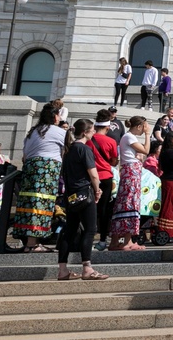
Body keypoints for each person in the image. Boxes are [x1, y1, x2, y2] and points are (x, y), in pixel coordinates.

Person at [56, 118, 109, 281]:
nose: (94, 132)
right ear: (85, 132)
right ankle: (87, 267)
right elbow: (93, 173)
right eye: (92, 130)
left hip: (70, 195)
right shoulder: (84, 149)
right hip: (84, 192)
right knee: (90, 229)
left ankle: (62, 269)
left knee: (69, 230)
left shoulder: (68, 149)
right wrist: (97, 189)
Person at [13, 102, 68, 252]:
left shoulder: (33, 132)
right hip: (46, 171)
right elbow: (71, 148)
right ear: (55, 116)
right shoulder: (57, 131)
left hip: (30, 170)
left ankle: (30, 242)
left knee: (30, 204)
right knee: (40, 205)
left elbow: (24, 156)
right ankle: (32, 244)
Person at [109, 116, 150, 250]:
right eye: (143, 127)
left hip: (131, 172)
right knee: (129, 203)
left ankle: (121, 240)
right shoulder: (129, 137)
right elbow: (146, 150)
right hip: (131, 173)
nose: (144, 130)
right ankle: (126, 241)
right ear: (139, 126)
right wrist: (148, 135)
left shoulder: (128, 137)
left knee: (127, 203)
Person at [88, 110, 119, 251]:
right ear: (107, 127)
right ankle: (102, 240)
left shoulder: (87, 140)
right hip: (106, 177)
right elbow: (113, 161)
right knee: (104, 209)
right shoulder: (111, 141)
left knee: (88, 208)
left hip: (88, 176)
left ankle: (86, 237)